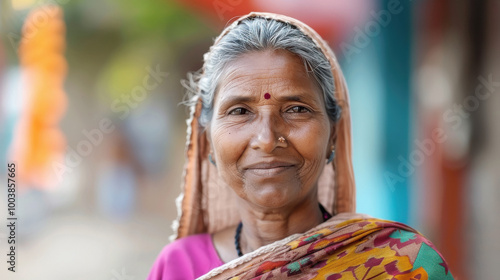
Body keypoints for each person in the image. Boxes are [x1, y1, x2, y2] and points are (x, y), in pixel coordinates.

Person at [147, 12, 454, 279]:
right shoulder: (178, 266)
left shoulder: (401, 262)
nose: (267, 139)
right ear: (207, 143)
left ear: (333, 133)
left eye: (296, 109)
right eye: (240, 111)